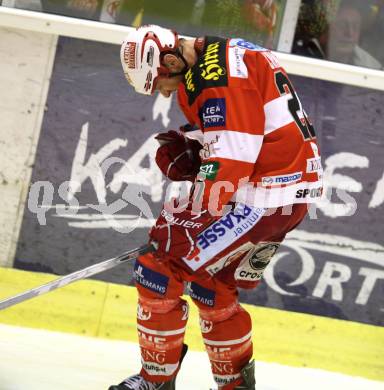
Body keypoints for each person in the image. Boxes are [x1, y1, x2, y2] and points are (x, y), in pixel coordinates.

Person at [110, 25, 323, 390]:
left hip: (263, 197)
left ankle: (155, 382)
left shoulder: (216, 77)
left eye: (161, 80)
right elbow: (247, 128)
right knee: (213, 285)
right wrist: (194, 144)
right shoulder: (222, 55)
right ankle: (234, 386)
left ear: (171, 58)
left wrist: (193, 216)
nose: (163, 90)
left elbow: (233, 159)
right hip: (287, 193)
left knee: (159, 268)